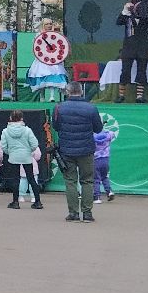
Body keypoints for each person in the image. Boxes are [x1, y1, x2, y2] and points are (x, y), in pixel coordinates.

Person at [52, 84, 104, 221]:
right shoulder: (91, 108)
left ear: (67, 92)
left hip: (66, 149)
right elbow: (98, 129)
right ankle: (87, 213)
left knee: (70, 181)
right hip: (86, 149)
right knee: (87, 181)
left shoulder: (59, 107)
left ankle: (73, 213)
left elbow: (56, 127)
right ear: (81, 92)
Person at [115, 0, 148, 103]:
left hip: (142, 47)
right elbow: (118, 22)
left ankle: (139, 96)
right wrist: (125, 10)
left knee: (142, 71)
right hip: (128, 48)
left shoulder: (146, 16)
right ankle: (121, 95)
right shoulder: (127, 15)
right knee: (125, 71)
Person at [0, 111, 43, 209]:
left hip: (13, 157)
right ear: (21, 118)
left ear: (11, 118)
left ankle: (15, 202)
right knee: (31, 179)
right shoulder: (27, 130)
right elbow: (34, 144)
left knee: (15, 179)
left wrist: (10, 152)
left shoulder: (5, 131)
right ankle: (38, 201)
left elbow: (3, 146)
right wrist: (29, 151)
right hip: (27, 156)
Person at [27, 18, 70, 102]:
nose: (49, 26)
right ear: (43, 25)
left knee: (53, 76)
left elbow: (60, 46)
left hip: (53, 60)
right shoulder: (38, 35)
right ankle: (42, 97)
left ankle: (52, 96)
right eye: (47, 24)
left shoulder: (56, 35)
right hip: (42, 60)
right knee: (41, 77)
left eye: (50, 24)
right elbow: (36, 48)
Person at [92, 128, 117, 203]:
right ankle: (109, 192)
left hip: (95, 160)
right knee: (104, 177)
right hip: (105, 160)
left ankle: (97, 198)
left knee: (96, 179)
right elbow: (112, 133)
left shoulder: (92, 136)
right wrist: (104, 129)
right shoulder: (107, 135)